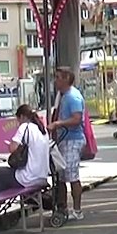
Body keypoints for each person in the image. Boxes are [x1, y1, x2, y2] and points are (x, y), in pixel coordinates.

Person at [47, 67, 85, 221]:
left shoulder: (72, 97)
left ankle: (77, 209)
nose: (55, 80)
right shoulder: (63, 96)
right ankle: (63, 207)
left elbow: (77, 119)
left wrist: (58, 124)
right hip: (65, 140)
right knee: (62, 176)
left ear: (66, 78)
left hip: (73, 140)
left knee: (72, 176)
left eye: (57, 77)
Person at [0, 104, 53, 194]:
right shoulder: (43, 130)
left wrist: (10, 145)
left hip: (29, 178)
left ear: (22, 117)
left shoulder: (25, 127)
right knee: (5, 176)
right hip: (42, 177)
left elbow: (12, 148)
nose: (18, 123)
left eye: (18, 120)